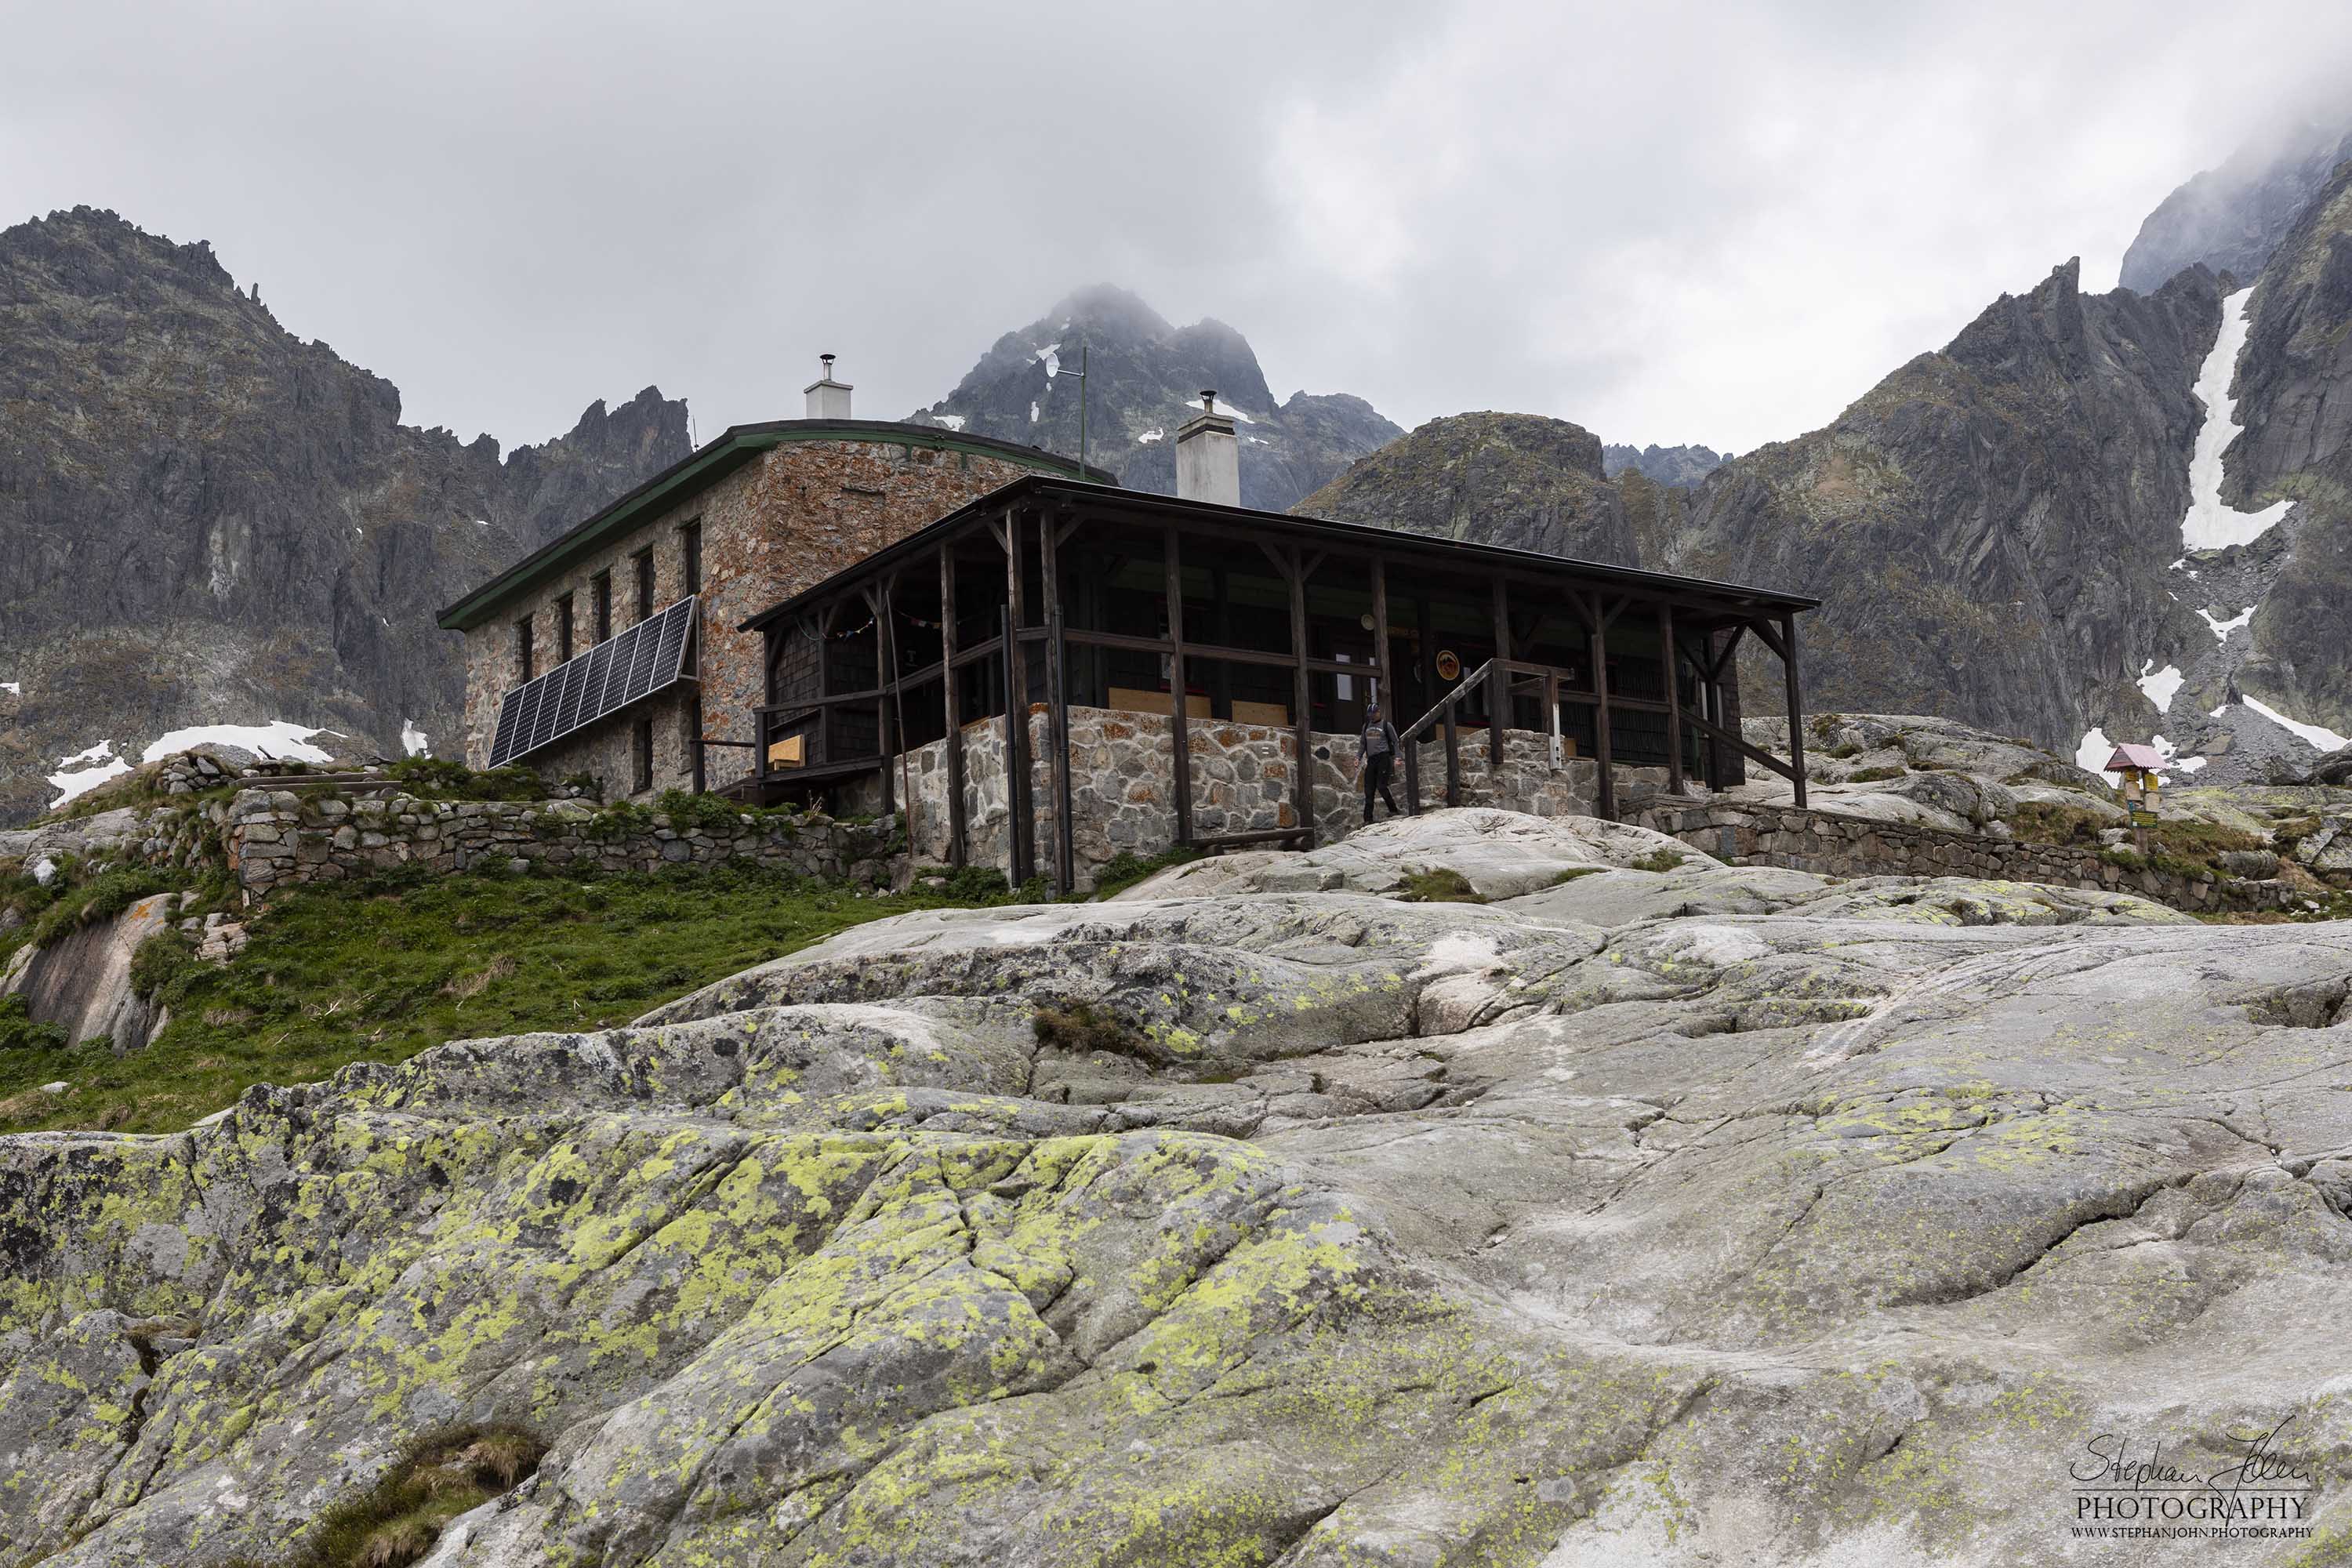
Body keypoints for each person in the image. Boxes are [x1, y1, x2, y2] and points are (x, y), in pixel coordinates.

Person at [1359, 702, 1402, 822]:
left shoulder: (1386, 725)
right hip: (1371, 760)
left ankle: (1393, 809)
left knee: (1381, 786)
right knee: (1369, 789)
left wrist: (1398, 757)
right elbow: (1363, 743)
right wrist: (1358, 757)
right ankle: (1368, 819)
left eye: (1373, 714)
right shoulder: (1366, 726)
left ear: (1378, 712)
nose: (1371, 716)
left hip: (1384, 758)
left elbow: (1395, 742)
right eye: (1370, 714)